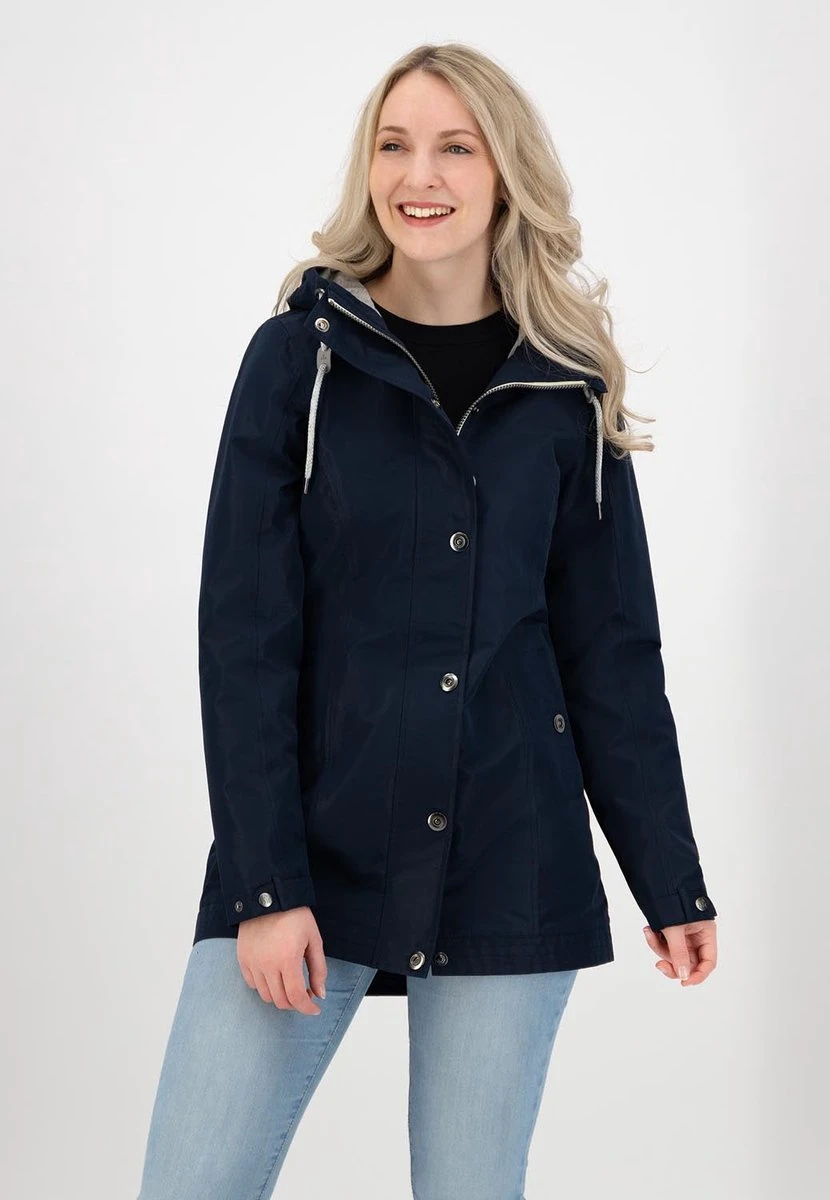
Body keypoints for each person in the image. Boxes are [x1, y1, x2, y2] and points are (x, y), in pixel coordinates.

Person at [137, 41, 719, 1199]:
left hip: (512, 854)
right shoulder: (297, 362)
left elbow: (609, 656)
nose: (421, 174)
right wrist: (266, 887)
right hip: (315, 843)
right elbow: (244, 641)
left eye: (456, 147)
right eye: (394, 144)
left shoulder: (565, 386)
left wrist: (668, 879)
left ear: (504, 173)